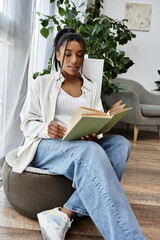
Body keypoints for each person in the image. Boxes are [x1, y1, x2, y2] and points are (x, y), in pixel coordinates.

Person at [13, 28, 147, 240]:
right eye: (68, 54)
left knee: (121, 144)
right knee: (89, 152)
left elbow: (98, 118)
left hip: (81, 146)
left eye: (80, 54)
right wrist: (46, 127)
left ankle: (64, 214)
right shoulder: (42, 83)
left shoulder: (91, 88)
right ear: (57, 55)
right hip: (47, 145)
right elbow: (26, 123)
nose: (74, 60)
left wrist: (95, 134)